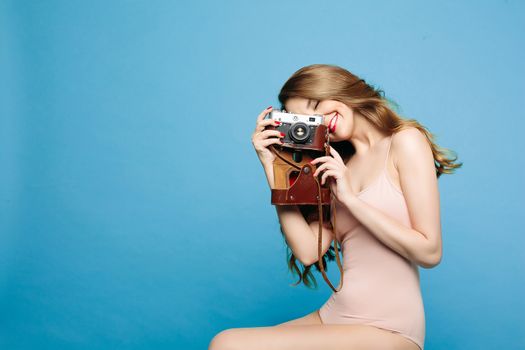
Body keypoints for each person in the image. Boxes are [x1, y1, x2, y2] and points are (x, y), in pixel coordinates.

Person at [209, 64, 462, 350]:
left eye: (316, 104)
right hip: (335, 316)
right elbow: (308, 252)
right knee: (226, 343)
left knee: (228, 345)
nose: (318, 118)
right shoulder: (334, 168)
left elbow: (430, 252)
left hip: (389, 329)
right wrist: (273, 169)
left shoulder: (404, 142)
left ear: (339, 87)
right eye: (307, 119)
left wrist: (351, 200)